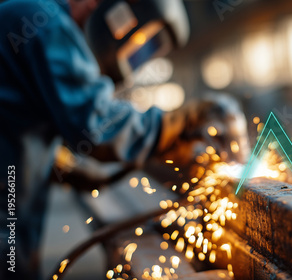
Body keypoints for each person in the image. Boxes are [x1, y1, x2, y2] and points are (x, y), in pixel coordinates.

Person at [0, 0, 245, 279]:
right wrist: (176, 123)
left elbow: (19, 117)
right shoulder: (44, 20)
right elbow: (98, 124)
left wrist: (60, 166)